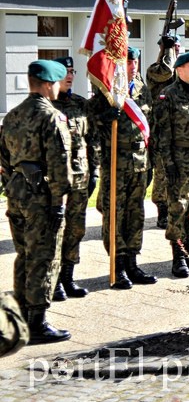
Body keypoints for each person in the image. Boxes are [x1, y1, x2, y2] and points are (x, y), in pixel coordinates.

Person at [0, 59, 72, 343]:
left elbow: (3, 157)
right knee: (45, 256)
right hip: (42, 197)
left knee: (24, 254)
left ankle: (19, 316)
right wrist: (59, 202)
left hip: (17, 194)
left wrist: (12, 184)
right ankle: (38, 322)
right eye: (56, 83)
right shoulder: (50, 117)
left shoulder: (13, 115)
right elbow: (59, 164)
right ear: (47, 84)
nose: (57, 88)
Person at [88, 47, 158, 288]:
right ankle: (117, 266)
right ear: (118, 65)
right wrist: (104, 116)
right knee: (115, 214)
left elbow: (151, 126)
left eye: (136, 61)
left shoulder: (141, 90)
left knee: (136, 213)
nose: (134, 66)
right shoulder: (106, 92)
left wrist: (152, 161)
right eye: (129, 62)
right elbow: (90, 123)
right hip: (115, 162)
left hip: (139, 163)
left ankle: (132, 262)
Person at [153, 50, 189, 277]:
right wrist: (168, 164)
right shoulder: (168, 95)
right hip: (179, 159)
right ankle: (178, 257)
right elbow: (161, 135)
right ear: (179, 69)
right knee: (178, 208)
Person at [51, 56, 99, 300]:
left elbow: (92, 140)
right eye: (64, 72)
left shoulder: (81, 105)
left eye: (72, 71)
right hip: (55, 183)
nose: (70, 76)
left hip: (80, 178)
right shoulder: (45, 107)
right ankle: (54, 281)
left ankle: (68, 278)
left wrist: (95, 171)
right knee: (55, 230)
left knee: (76, 229)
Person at [146, 35, 180, 229]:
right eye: (170, 47)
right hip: (161, 132)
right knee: (161, 174)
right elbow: (166, 71)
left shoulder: (182, 71)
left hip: (179, 131)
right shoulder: (154, 70)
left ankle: (177, 209)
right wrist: (166, 50)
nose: (174, 49)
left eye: (176, 47)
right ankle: (162, 211)